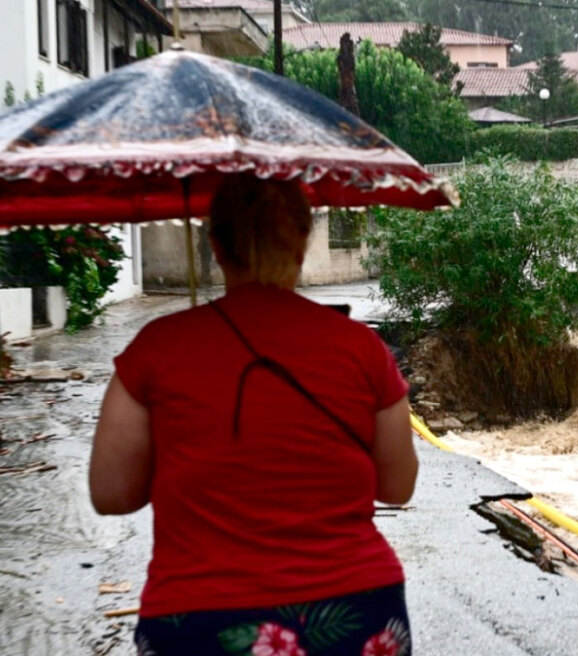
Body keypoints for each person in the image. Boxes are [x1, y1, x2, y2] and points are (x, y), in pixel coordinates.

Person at [89, 175, 418, 656]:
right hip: (356, 613)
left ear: (216, 245)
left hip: (197, 620)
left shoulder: (155, 349)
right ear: (302, 242)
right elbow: (398, 486)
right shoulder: (363, 349)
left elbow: (112, 494)